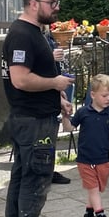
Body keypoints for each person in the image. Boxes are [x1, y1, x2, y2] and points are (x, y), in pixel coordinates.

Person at [2, 0, 74, 217]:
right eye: (51, 3)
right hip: (34, 121)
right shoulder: (23, 34)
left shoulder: (33, 33)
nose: (56, 8)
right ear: (34, 4)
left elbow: (35, 76)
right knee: (36, 178)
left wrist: (58, 97)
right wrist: (56, 83)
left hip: (31, 116)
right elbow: (21, 79)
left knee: (22, 175)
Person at [61, 74, 109, 217]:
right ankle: (100, 215)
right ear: (93, 95)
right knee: (93, 187)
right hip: (85, 158)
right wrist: (65, 116)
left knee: (96, 188)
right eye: (104, 95)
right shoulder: (83, 112)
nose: (108, 99)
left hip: (102, 157)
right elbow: (69, 129)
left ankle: (88, 213)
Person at [45, 31, 72, 185]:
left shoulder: (47, 35)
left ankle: (50, 169)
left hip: (54, 91)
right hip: (41, 99)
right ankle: (45, 172)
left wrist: (59, 91)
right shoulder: (28, 35)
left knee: (51, 135)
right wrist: (50, 57)